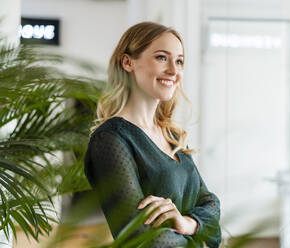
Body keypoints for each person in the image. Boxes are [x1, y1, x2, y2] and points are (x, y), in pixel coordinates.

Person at [84, 22, 221, 248]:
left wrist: (187, 223)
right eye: (161, 58)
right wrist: (201, 240)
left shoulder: (171, 136)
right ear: (127, 62)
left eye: (179, 61)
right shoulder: (110, 140)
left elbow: (211, 203)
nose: (174, 71)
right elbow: (139, 236)